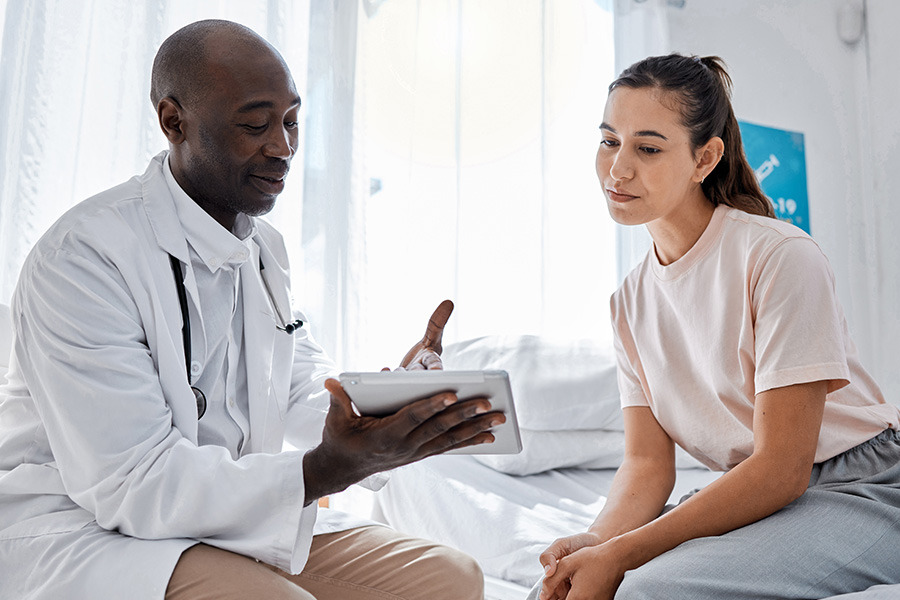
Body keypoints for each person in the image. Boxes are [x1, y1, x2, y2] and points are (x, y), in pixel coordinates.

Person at [0, 19, 504, 600]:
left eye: (291, 121)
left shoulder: (263, 252)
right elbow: (130, 483)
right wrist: (325, 470)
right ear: (174, 121)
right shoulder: (85, 259)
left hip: (213, 520)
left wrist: (391, 404)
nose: (283, 147)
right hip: (86, 531)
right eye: (254, 124)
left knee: (450, 579)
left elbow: (299, 388)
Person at [532, 54, 900, 600]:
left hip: (862, 486)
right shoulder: (629, 302)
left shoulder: (779, 256)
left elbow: (781, 469)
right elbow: (646, 466)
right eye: (610, 141)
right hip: (754, 489)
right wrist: (596, 541)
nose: (618, 170)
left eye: (648, 148)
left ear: (704, 158)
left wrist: (622, 555)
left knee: (644, 591)